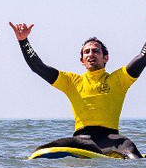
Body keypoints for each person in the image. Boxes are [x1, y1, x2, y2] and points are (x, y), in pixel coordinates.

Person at [9, 22, 146, 158]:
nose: (90, 54)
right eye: (86, 52)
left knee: (131, 151)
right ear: (82, 60)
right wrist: (23, 41)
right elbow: (38, 67)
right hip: (82, 140)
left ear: (105, 58)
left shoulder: (119, 79)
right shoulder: (72, 82)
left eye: (95, 51)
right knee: (40, 152)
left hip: (111, 140)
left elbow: (143, 56)